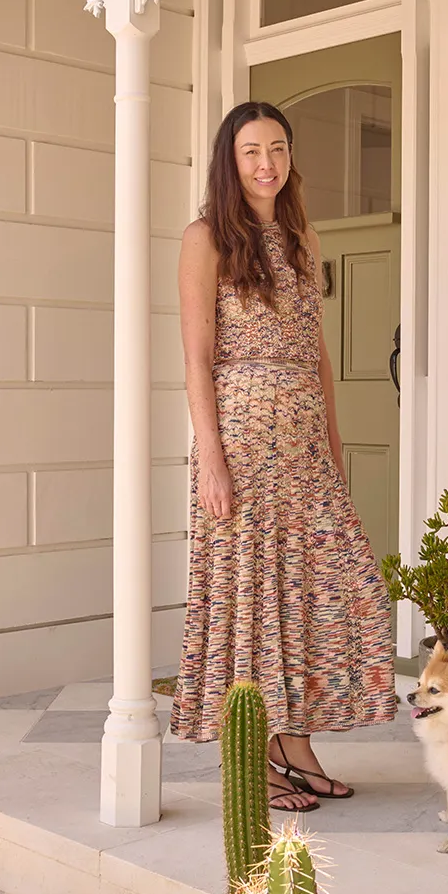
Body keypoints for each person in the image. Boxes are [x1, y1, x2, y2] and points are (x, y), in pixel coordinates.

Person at [170, 100, 397, 811]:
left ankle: (294, 743)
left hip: (302, 444)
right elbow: (197, 358)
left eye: (277, 148)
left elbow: (318, 354)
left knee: (332, 587)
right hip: (241, 438)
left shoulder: (304, 234)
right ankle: (255, 755)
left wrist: (332, 448)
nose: (266, 163)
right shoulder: (205, 237)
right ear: (229, 162)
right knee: (254, 597)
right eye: (250, 151)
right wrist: (210, 456)